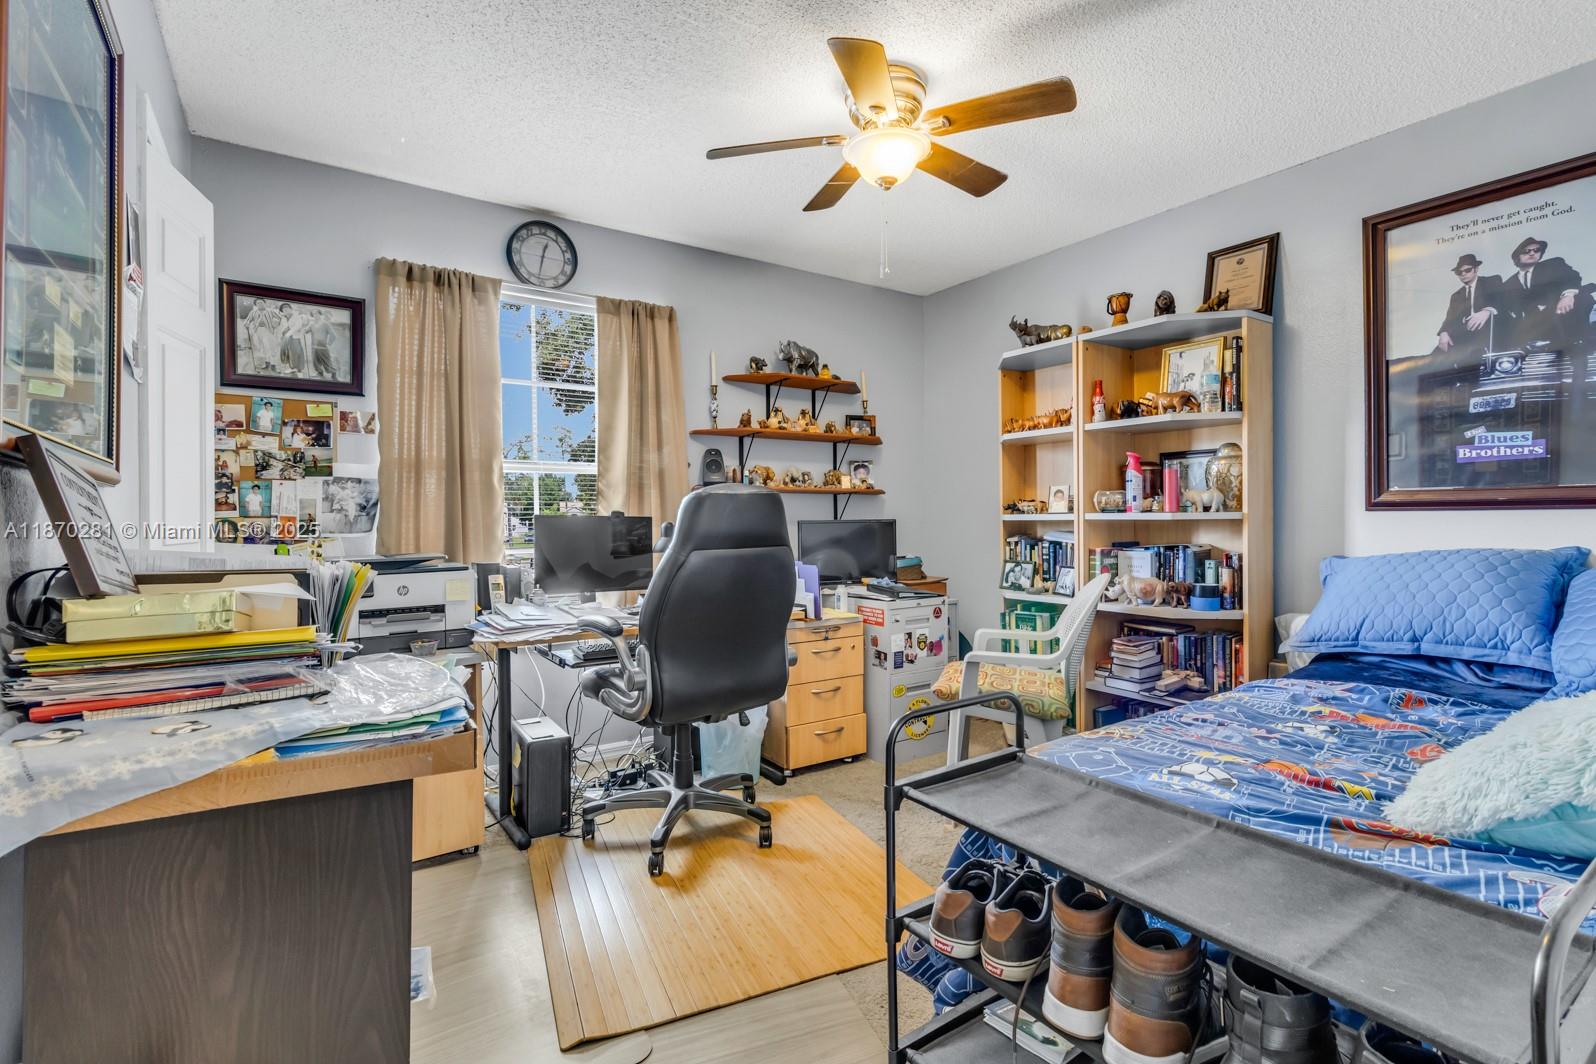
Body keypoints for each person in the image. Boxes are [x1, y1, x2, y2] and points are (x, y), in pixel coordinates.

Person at [1501, 237, 1582, 349]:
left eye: (1536, 250)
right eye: (1526, 251)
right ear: (1517, 257)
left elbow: (1572, 276)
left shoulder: (1553, 265)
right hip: (1530, 330)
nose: (1532, 253)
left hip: (1560, 318)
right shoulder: (1508, 284)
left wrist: (1568, 295)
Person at [1435, 253, 1505, 356]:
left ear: (1476, 269)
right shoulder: (1456, 296)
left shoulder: (1491, 281)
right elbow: (1449, 318)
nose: (1463, 274)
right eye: (1459, 272)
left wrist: (1487, 310)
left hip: (1487, 330)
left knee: (1475, 356)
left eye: (1467, 270)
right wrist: (1443, 332)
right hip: (1462, 335)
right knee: (1434, 359)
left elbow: (1503, 300)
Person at [310, 310, 338, 379]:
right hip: (314, 346)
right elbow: (306, 330)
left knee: (327, 362)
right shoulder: (312, 324)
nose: (315, 315)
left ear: (320, 315)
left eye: (317, 314)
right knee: (315, 361)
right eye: (313, 314)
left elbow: (333, 335)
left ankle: (334, 375)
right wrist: (304, 330)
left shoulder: (325, 324)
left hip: (323, 347)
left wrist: (329, 344)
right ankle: (319, 373)